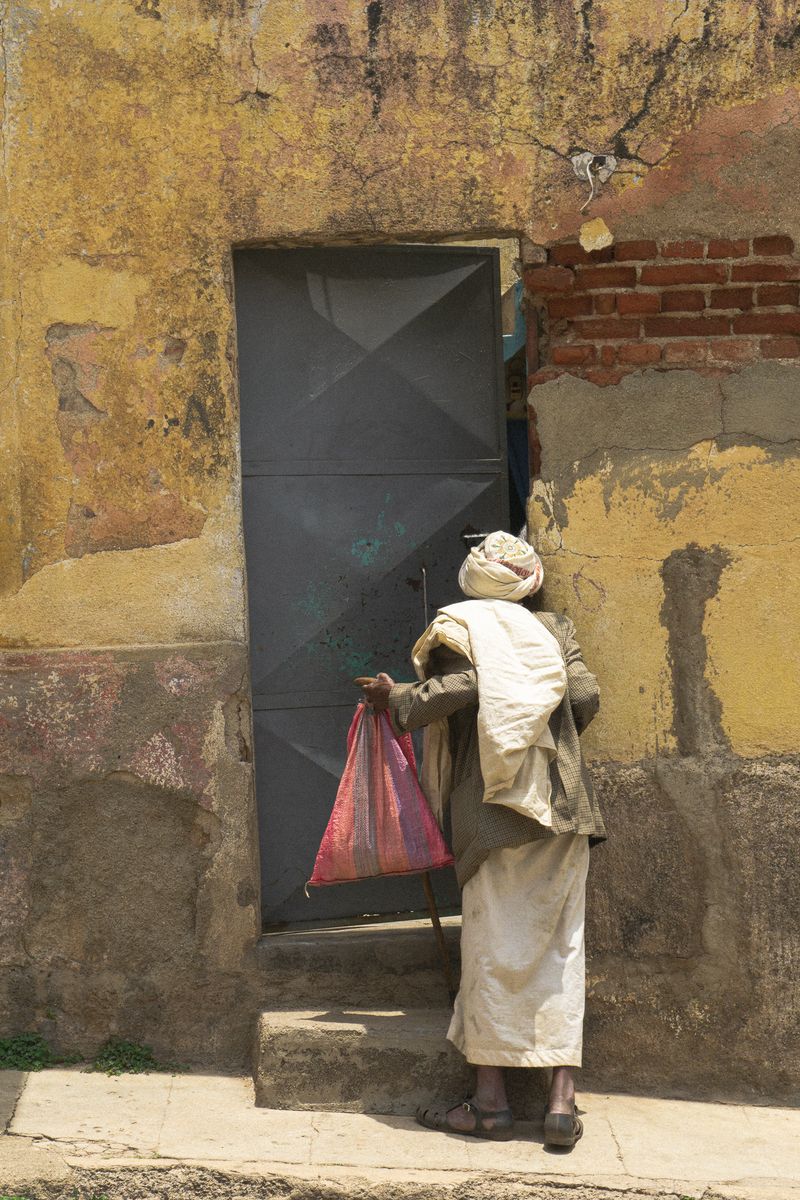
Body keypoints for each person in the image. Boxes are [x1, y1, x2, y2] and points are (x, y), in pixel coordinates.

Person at [362, 531, 606, 1147]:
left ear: (474, 581)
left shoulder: (460, 628)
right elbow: (583, 695)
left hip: (495, 813)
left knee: (492, 947)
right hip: (561, 809)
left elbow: (460, 691)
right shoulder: (554, 629)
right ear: (528, 583)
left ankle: (491, 1104)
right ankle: (560, 1105)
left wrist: (397, 698)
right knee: (563, 949)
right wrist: (547, 728)